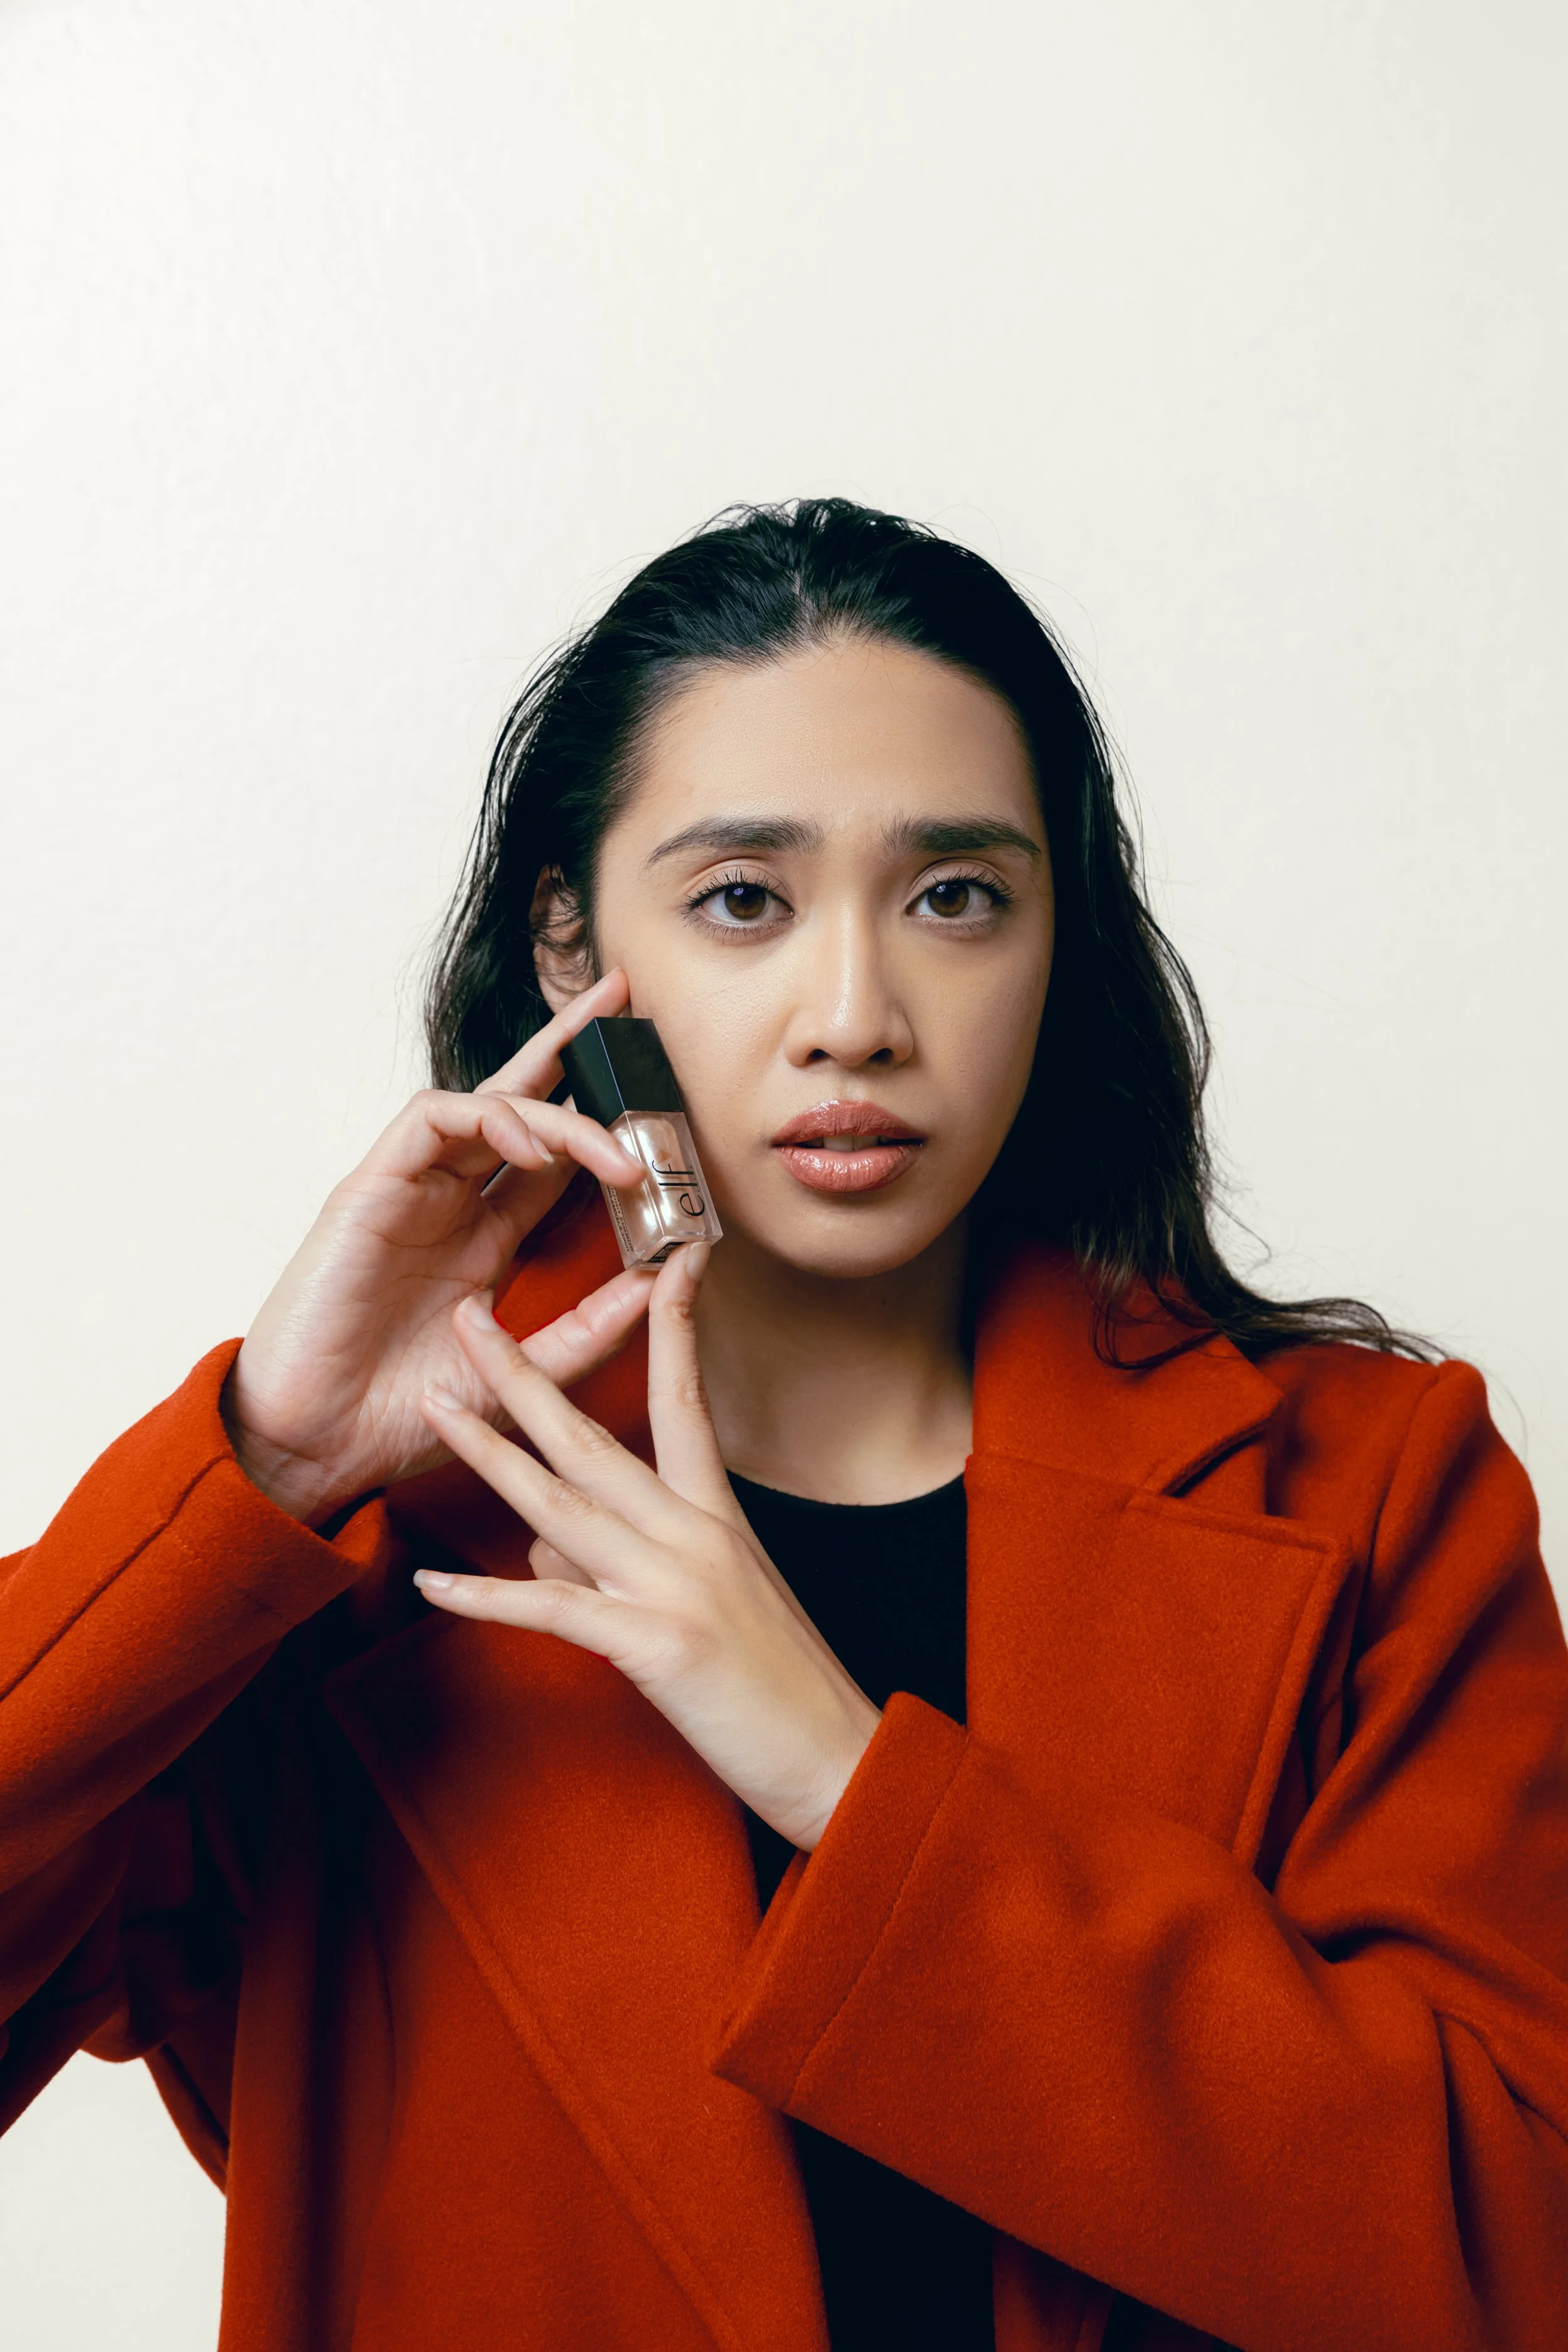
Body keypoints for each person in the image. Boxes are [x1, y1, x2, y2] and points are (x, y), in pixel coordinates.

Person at [2, 499, 1565, 2352]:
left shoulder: (1372, 1483)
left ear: (1060, 937)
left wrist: (842, 1776)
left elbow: (1507, 2251)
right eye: (743, 898)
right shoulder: (359, 1544)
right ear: (577, 945)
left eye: (954, 896)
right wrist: (261, 1460)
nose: (856, 1013)